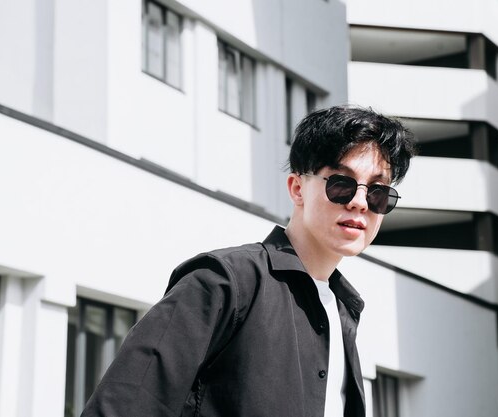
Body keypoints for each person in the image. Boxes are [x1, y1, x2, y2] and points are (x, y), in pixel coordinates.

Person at [81, 105, 415, 417]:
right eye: (341, 184)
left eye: (377, 192)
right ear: (298, 188)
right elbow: (122, 405)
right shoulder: (223, 282)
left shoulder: (344, 312)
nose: (360, 203)